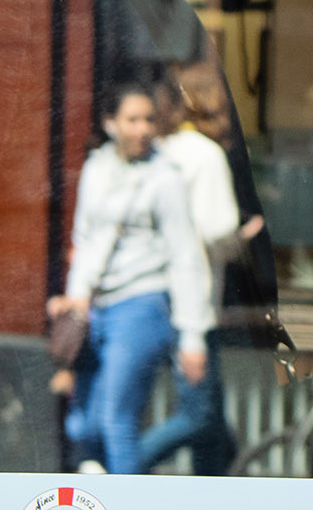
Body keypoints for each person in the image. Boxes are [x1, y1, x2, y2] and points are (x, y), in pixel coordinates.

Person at [51, 79, 213, 477]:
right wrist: (76, 299)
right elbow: (85, 239)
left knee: (117, 420)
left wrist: (192, 336)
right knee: (84, 424)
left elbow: (185, 256)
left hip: (143, 304)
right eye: (132, 120)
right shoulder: (97, 168)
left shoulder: (165, 178)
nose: (142, 129)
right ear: (110, 123)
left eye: (149, 120)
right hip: (97, 308)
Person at [134, 64, 266, 475]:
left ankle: (216, 489)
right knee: (200, 414)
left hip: (148, 298)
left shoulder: (150, 154)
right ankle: (123, 465)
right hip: (192, 303)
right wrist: (244, 236)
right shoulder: (202, 156)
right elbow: (216, 229)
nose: (227, 119)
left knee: (211, 421)